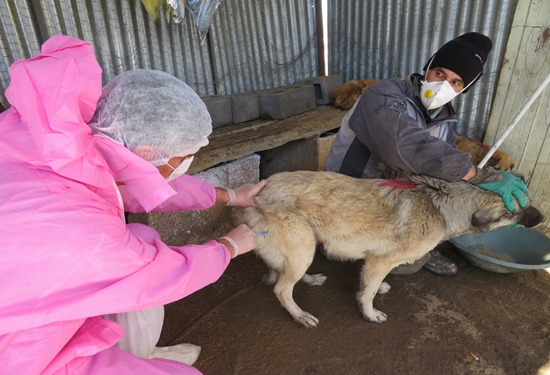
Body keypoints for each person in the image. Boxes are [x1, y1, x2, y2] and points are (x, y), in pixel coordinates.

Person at [0, 35, 265, 375]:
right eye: (185, 156)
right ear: (146, 155)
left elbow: (142, 186)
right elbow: (157, 274)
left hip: (21, 291)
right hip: (19, 351)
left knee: (138, 235)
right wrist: (227, 247)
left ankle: (137, 350)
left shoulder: (55, 138)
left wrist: (228, 195)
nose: (187, 163)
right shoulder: (88, 232)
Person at [324, 32, 530, 276]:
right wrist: (477, 174)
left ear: (464, 89)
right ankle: (337, 237)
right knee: (346, 251)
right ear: (428, 67)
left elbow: (443, 166)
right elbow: (401, 144)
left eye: (456, 82)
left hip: (390, 193)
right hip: (351, 187)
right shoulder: (384, 94)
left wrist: (480, 188)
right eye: (440, 73)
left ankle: (415, 248)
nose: (443, 84)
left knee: (413, 254)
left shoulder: (445, 120)